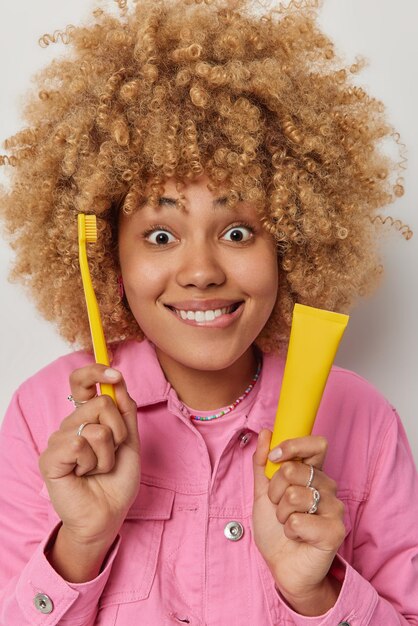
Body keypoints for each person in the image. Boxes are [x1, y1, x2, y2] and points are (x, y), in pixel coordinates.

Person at [0, 0, 417, 624]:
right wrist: (81, 544)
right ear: (109, 259)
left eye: (240, 232)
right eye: (160, 235)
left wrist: (315, 595)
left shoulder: (362, 420)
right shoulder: (44, 416)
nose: (201, 271)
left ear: (292, 245)